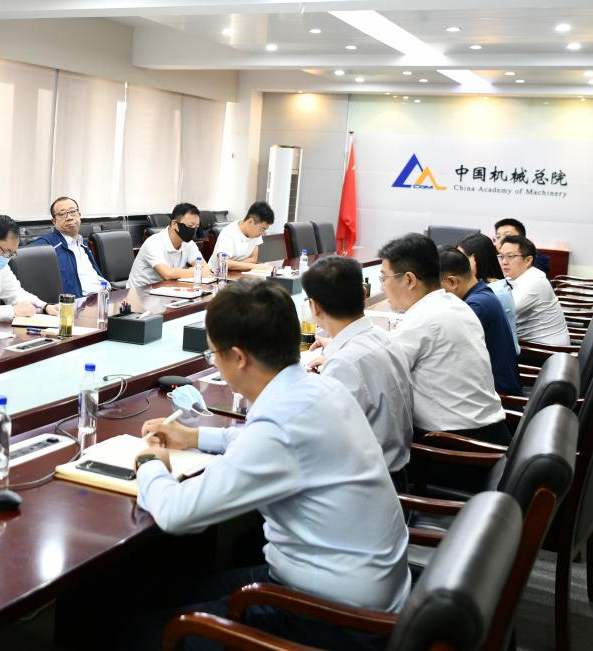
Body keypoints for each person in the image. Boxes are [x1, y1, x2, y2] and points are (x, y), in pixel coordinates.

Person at [130, 281, 409, 650]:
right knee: (168, 591)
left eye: (213, 353)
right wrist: (195, 437)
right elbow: (266, 443)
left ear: (238, 357)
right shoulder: (320, 389)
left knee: (137, 634)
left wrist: (149, 463)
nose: (214, 362)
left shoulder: (280, 424)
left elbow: (177, 513)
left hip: (336, 619)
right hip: (357, 587)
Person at [377, 233, 509, 445]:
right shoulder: (453, 304)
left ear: (409, 280)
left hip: (456, 446)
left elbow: (378, 370)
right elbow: (392, 348)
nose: (382, 287)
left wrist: (333, 357)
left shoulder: (423, 318)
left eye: (384, 278)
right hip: (489, 433)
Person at [301, 256, 413, 490]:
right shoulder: (384, 338)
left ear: (315, 306)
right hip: (395, 472)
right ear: (363, 294)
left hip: (365, 487)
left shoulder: (344, 364)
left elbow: (321, 443)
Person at [438, 246, 522, 396]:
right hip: (491, 389)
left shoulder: (476, 307)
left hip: (498, 397)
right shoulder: (481, 294)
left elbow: (445, 354)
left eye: (436, 288)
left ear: (452, 282)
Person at [497, 235, 571, 348]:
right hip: (531, 344)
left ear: (528, 260)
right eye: (501, 256)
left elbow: (503, 311)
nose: (504, 262)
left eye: (510, 256)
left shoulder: (534, 282)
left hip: (546, 351)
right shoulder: (517, 276)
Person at [29, 196, 106, 298]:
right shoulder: (48, 246)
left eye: (72, 212)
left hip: (103, 296)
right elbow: (25, 257)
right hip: (79, 302)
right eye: (62, 214)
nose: (69, 217)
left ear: (79, 215)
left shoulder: (83, 244)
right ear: (54, 221)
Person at [457, 232, 519, 354]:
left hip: (497, 357)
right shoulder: (494, 284)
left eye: (461, 259)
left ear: (475, 259)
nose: (456, 264)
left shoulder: (493, 292)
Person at [128, 203, 202, 288]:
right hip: (140, 292)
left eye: (196, 227)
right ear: (174, 224)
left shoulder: (188, 243)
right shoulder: (153, 243)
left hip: (167, 289)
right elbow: (167, 274)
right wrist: (196, 271)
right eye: (190, 226)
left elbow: (207, 270)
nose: (193, 230)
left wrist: (188, 271)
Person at [209, 201, 275, 272]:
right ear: (250, 221)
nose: (262, 233)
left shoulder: (256, 234)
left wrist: (233, 264)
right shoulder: (228, 233)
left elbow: (254, 258)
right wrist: (255, 266)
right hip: (217, 275)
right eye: (262, 229)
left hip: (238, 273)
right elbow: (223, 263)